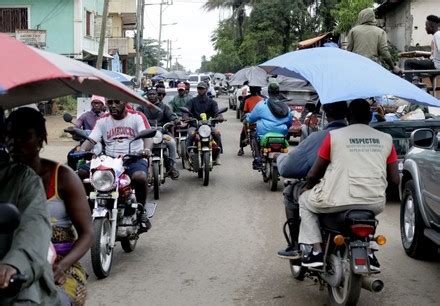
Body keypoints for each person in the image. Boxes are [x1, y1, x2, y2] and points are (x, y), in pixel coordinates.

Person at [5, 108, 94, 305]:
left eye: (24, 137)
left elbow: (87, 233)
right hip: (13, 261)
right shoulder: (5, 179)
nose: (15, 143)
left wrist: (62, 266)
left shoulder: (63, 177)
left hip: (59, 263)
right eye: (9, 136)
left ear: (41, 138)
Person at [296, 99, 400, 268]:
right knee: (368, 211)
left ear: (348, 116)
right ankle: (369, 252)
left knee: (304, 201)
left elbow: (315, 173)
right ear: (370, 116)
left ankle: (316, 251)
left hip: (336, 200)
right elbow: (395, 180)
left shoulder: (334, 137)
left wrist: (308, 187)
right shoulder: (386, 139)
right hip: (374, 203)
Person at [276, 101, 348, 259]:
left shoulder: (321, 137)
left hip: (326, 192)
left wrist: (280, 158)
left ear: (326, 114)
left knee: (290, 192)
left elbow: (292, 169)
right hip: (362, 194)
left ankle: (297, 245)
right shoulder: (366, 138)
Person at [80, 99, 153, 232]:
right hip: (110, 159)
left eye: (117, 102)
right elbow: (91, 139)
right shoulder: (103, 120)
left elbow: (147, 136)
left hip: (133, 157)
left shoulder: (136, 117)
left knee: (140, 177)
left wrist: (146, 150)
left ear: (125, 103)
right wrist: (82, 150)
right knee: (81, 174)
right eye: (110, 102)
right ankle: (91, 205)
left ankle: (141, 210)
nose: (113, 105)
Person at [245, 81, 292, 169]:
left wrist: (247, 117)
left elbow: (251, 119)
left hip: (264, 134)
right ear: (278, 92)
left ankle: (258, 158)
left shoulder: (261, 105)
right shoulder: (285, 106)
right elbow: (289, 123)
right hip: (281, 134)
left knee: (254, 136)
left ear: (268, 92)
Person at [137, 88, 180, 179]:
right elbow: (137, 116)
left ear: (157, 95)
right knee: (137, 145)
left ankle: (172, 168)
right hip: (147, 134)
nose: (152, 96)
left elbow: (171, 115)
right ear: (147, 96)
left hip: (162, 132)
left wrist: (176, 120)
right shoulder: (142, 106)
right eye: (150, 94)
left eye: (154, 94)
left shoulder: (164, 106)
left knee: (171, 142)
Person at [347, 8, 401, 74]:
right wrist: (393, 67)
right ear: (373, 17)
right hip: (373, 66)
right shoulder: (380, 32)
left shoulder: (353, 31)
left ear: (360, 17)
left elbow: (348, 51)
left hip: (357, 66)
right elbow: (384, 53)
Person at [185, 81, 224, 165]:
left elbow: (217, 112)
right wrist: (186, 117)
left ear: (206, 89)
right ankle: (187, 157)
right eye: (199, 88)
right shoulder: (192, 101)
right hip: (195, 126)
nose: (201, 90)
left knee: (217, 134)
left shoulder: (212, 102)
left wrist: (219, 117)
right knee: (190, 135)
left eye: (202, 88)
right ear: (197, 90)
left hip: (208, 127)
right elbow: (186, 111)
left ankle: (217, 156)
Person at [404, 15, 440, 79]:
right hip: (436, 63)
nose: (425, 28)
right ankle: (417, 79)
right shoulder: (437, 35)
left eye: (426, 26)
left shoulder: (437, 35)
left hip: (436, 65)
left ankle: (407, 85)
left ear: (432, 26)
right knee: (417, 65)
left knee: (408, 62)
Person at [237, 86, 264, 156]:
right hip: (260, 119)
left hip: (251, 119)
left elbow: (245, 111)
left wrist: (243, 117)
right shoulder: (263, 99)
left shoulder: (247, 100)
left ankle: (241, 148)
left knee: (243, 131)